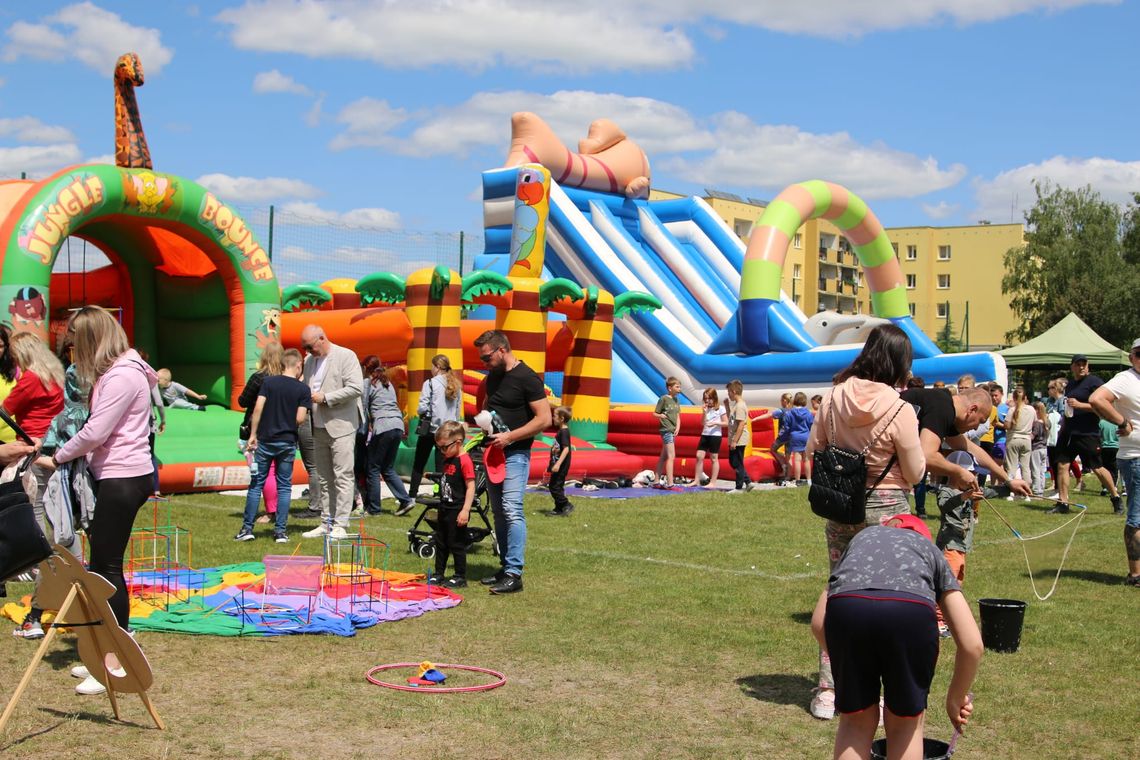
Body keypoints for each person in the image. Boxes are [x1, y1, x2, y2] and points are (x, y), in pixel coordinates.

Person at [806, 323, 926, 721]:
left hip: (842, 507)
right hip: (888, 510)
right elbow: (915, 472)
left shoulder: (835, 395)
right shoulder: (900, 408)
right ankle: (871, 687)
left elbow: (814, 448)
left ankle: (829, 689)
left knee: (839, 596)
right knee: (880, 599)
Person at [40, 306, 157, 696]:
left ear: (92, 339)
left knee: (105, 570)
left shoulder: (123, 375)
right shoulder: (123, 370)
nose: (74, 351)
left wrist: (57, 456)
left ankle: (114, 660)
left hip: (125, 478)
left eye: (77, 342)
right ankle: (104, 649)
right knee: (100, 566)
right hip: (118, 475)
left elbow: (96, 432)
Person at [810, 514, 983, 759]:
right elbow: (972, 645)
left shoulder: (861, 540)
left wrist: (849, 659)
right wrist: (955, 699)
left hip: (848, 608)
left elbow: (818, 622)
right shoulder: (929, 550)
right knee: (905, 726)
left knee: (855, 722)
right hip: (910, 612)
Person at [475, 330, 551, 595]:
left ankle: (514, 574)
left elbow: (544, 419)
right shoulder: (493, 376)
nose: (484, 364)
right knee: (498, 511)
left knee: (512, 509)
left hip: (515, 453)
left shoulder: (528, 378)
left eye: (487, 358)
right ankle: (505, 565)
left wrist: (509, 437)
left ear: (501, 350)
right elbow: (488, 404)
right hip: (493, 452)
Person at [7, 332, 66, 640]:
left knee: (36, 529)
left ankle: (38, 607)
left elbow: (7, 406)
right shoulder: (55, 375)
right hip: (53, 453)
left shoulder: (30, 379)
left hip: (31, 454)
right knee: (56, 528)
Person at [234, 349, 311, 543]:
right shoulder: (303, 389)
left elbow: (258, 407)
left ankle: (247, 529)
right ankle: (280, 532)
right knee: (284, 486)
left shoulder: (268, 382)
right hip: (287, 441)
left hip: (266, 439)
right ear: (298, 366)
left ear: (283, 363)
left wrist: (253, 434)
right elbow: (300, 418)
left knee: (256, 484)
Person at [298, 325, 363, 540]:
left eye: (310, 346)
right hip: (317, 425)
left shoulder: (346, 356)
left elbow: (356, 388)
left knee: (343, 475)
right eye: (305, 347)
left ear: (322, 338)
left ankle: (341, 524)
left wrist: (326, 397)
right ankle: (326, 521)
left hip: (342, 424)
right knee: (324, 477)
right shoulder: (309, 362)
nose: (308, 351)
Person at [1089, 338, 1140, 584]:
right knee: (1137, 517)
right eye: (1139, 354)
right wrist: (1121, 422)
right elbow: (1097, 399)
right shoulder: (1125, 379)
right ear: (1131, 357)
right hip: (1135, 458)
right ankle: (1136, 574)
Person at [1051, 354, 1122, 515]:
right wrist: (1063, 424)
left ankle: (1115, 497)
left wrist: (1080, 405)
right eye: (1078, 364)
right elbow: (1069, 407)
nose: (1081, 367)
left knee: (1097, 468)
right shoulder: (1070, 385)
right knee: (1062, 465)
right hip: (1069, 431)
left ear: (1088, 366)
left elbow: (1105, 404)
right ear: (1072, 367)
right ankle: (1063, 503)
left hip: (1087, 432)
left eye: (1084, 364)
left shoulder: (1094, 382)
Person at [404, 354, 462, 514]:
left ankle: (412, 495)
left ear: (436, 367)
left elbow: (422, 408)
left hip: (431, 429)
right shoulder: (456, 384)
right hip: (448, 430)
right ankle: (441, 493)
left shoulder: (429, 384)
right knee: (443, 464)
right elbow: (457, 411)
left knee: (419, 462)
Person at [238, 341, 284, 525]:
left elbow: (242, 401)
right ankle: (279, 509)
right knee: (280, 473)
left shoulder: (259, 378)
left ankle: (271, 511)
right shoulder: (286, 379)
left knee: (264, 472)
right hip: (282, 428)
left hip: (259, 430)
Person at [427, 421, 475, 588]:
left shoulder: (464, 460)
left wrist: (465, 510)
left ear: (458, 442)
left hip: (457, 509)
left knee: (456, 544)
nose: (441, 451)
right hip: (444, 507)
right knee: (441, 542)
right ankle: (439, 573)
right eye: (439, 447)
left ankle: (460, 576)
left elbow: (470, 487)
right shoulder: (448, 458)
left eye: (444, 447)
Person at [363, 361, 415, 516]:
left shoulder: (368, 382)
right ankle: (405, 500)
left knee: (373, 467)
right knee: (387, 467)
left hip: (383, 426)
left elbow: (363, 405)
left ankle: (374, 508)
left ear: (366, 369)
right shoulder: (388, 383)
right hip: (397, 425)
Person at [724, 380, 754, 493]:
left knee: (736, 462)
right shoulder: (736, 405)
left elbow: (741, 424)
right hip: (735, 438)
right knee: (735, 462)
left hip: (739, 439)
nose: (728, 394)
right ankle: (748, 482)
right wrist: (727, 406)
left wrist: (735, 441)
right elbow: (731, 419)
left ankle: (739, 487)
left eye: (729, 392)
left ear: (734, 391)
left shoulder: (740, 406)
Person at [755, 393, 792, 484]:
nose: (780, 402)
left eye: (781, 400)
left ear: (784, 401)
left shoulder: (781, 411)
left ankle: (783, 466)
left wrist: (755, 419)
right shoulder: (793, 411)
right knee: (788, 455)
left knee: (773, 449)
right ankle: (788, 476)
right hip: (791, 436)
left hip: (783, 436)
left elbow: (769, 415)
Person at [1002, 388, 1034, 493]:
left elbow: (1007, 425)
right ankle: (1028, 488)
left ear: (1014, 398)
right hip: (1026, 439)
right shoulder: (1031, 409)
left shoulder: (1012, 410)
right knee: (1026, 466)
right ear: (1025, 398)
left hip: (1014, 438)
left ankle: (1011, 489)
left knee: (1012, 466)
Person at [653, 377, 682, 489]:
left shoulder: (676, 400)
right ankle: (670, 484)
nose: (679, 389)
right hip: (666, 430)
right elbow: (655, 413)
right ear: (670, 388)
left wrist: (678, 427)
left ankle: (656, 481)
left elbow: (678, 415)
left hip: (672, 430)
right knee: (671, 456)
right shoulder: (664, 399)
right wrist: (660, 415)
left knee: (664, 456)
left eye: (680, 387)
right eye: (677, 387)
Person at [546, 405, 574, 516]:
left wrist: (558, 464)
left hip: (561, 465)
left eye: (554, 416)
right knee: (556, 485)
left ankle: (566, 504)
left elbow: (566, 448)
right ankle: (559, 508)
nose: (553, 418)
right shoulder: (561, 431)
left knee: (554, 486)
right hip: (557, 463)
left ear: (561, 418)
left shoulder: (564, 432)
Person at [695, 388, 726, 487]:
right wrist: (704, 412)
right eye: (705, 399)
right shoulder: (706, 408)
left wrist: (716, 423)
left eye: (709, 398)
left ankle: (713, 482)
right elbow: (702, 423)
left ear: (714, 398)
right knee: (699, 456)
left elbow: (726, 423)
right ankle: (696, 480)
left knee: (713, 458)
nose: (707, 401)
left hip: (715, 436)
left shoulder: (720, 408)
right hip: (705, 434)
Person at [783, 391, 815, 486]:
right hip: (806, 436)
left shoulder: (789, 413)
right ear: (804, 401)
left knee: (797, 460)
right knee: (807, 459)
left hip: (795, 437)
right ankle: (809, 480)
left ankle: (798, 480)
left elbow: (787, 427)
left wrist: (787, 436)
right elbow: (811, 425)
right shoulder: (808, 413)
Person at [1030, 401, 1051, 497]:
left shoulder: (1037, 424)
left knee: (1035, 469)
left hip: (1036, 448)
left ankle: (1036, 489)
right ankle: (1041, 488)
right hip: (1044, 448)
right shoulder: (1047, 422)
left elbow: (1032, 436)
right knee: (1042, 470)